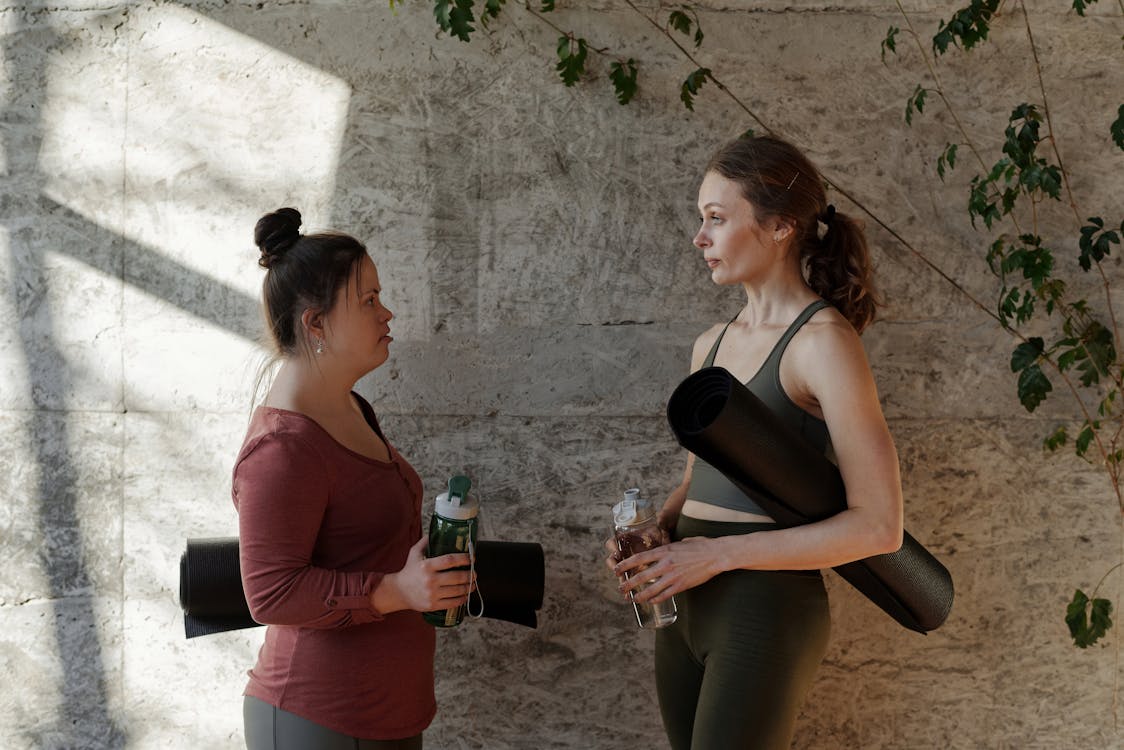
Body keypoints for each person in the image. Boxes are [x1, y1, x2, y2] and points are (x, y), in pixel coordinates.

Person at [609, 135, 905, 750]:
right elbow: (700, 480)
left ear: (778, 227)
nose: (700, 237)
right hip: (683, 601)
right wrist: (652, 535)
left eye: (717, 219)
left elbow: (879, 528)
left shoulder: (824, 343)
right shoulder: (710, 344)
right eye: (701, 218)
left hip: (762, 609)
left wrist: (715, 556)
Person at [232, 208, 473, 750]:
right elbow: (270, 593)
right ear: (316, 324)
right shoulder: (281, 450)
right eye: (368, 300)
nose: (387, 313)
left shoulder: (351, 408)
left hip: (387, 711)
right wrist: (397, 589)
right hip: (319, 719)